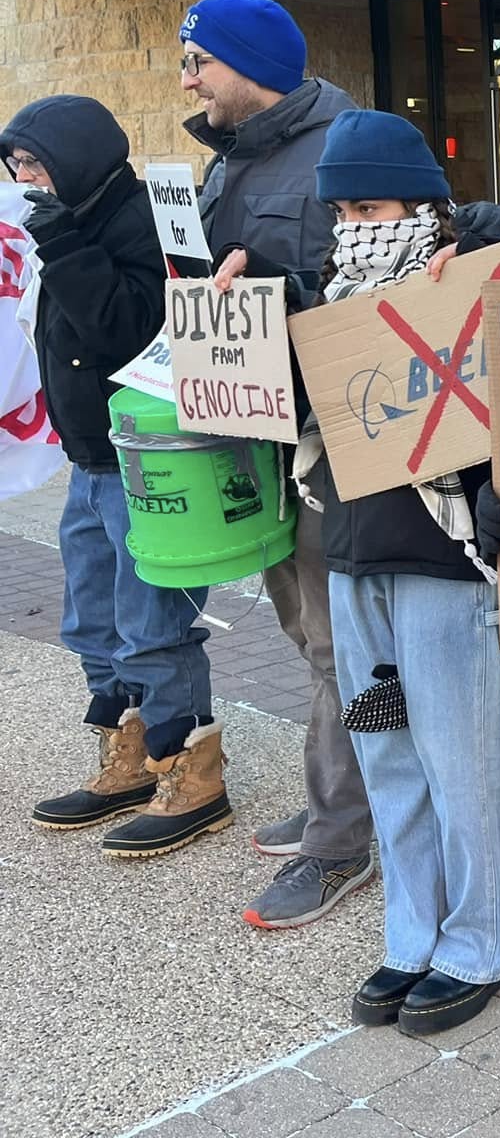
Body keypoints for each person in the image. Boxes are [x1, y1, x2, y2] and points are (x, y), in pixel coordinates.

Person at [223, 109, 500, 1035]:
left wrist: (486, 241)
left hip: (447, 568)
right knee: (389, 754)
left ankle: (481, 942)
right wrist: (240, 302)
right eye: (345, 210)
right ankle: (411, 934)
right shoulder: (327, 298)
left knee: (462, 764)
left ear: (423, 206)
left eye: (376, 206)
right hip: (355, 569)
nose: (358, 225)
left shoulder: (473, 279)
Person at [180, 0, 376, 928]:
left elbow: (388, 289)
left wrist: (285, 291)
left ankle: (341, 839)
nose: (188, 80)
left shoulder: (348, 145)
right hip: (254, 435)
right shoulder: (227, 159)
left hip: (330, 443)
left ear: (249, 63)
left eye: (200, 61)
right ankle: (348, 796)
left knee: (341, 650)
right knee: (307, 637)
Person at [6, 95, 229, 857]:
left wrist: (62, 242)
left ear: (76, 158)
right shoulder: (61, 220)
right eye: (15, 166)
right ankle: (129, 755)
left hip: (147, 460)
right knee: (92, 625)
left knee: (152, 629)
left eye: (35, 163)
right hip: (89, 458)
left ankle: (192, 773)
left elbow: (125, 329)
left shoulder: (139, 220)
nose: (25, 179)